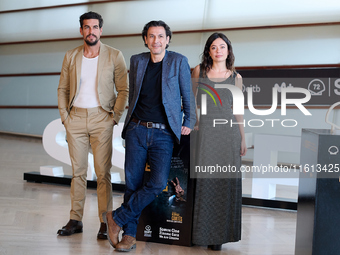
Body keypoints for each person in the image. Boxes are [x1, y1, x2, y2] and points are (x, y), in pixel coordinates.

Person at [103, 20, 196, 252]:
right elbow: (133, 94)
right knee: (133, 184)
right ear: (146, 39)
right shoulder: (137, 60)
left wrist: (190, 120)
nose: (156, 40)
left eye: (161, 36)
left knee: (156, 183)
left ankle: (116, 217)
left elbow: (187, 95)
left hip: (163, 133)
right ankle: (129, 235)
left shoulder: (178, 61)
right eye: (151, 36)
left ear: (168, 39)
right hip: (137, 129)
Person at [57, 11, 128, 240]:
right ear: (81, 30)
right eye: (86, 27)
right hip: (75, 118)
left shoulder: (115, 55)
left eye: (95, 27)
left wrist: (114, 117)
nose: (91, 31)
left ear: (101, 30)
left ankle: (105, 221)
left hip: (102, 119)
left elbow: (123, 90)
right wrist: (65, 118)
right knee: (77, 172)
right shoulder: (71, 56)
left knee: (102, 173)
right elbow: (62, 89)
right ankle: (75, 219)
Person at [191, 32, 247, 251]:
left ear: (228, 50)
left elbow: (238, 111)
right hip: (205, 132)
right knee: (205, 181)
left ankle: (219, 236)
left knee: (223, 183)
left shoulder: (236, 77)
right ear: (208, 51)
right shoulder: (199, 71)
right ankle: (199, 233)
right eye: (213, 47)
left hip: (228, 134)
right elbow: (190, 100)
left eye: (222, 47)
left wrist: (243, 137)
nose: (218, 51)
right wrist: (194, 122)